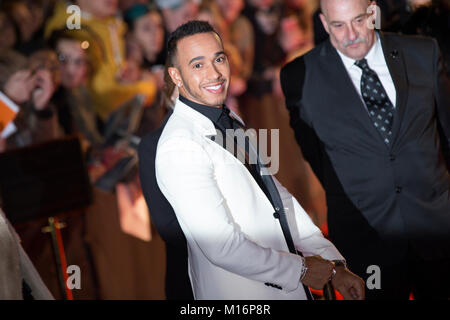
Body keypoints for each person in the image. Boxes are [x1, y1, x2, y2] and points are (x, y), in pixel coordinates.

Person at [139, 20, 364, 300]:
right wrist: (302, 270)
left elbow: (276, 198)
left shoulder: (231, 119)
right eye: (198, 65)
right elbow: (221, 246)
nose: (214, 73)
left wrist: (331, 262)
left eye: (218, 59)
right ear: (176, 75)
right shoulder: (178, 144)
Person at [280, 0, 450, 300]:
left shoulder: (424, 53)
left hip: (436, 226)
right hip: (365, 238)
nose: (351, 34)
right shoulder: (301, 77)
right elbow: (318, 158)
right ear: (323, 23)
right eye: (338, 26)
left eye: (358, 21)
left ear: (372, 13)